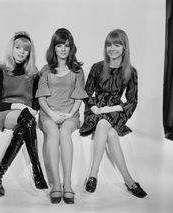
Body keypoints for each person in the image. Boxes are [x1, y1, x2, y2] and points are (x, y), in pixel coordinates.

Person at [79, 29, 147, 198]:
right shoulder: (97, 67)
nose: (112, 48)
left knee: (105, 124)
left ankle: (92, 175)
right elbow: (86, 93)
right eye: (109, 45)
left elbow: (132, 101)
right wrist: (95, 108)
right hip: (96, 110)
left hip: (116, 111)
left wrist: (111, 109)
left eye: (117, 44)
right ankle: (130, 181)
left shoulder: (131, 71)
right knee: (109, 132)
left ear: (125, 47)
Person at [0, 31, 48, 197]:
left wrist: (33, 109)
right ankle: (37, 170)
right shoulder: (0, 71)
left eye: (25, 49)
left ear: (30, 52)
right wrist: (18, 105)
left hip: (26, 115)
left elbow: (36, 100)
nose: (21, 51)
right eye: (18, 47)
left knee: (25, 124)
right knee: (27, 119)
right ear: (12, 48)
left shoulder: (33, 73)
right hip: (6, 112)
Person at [36, 28, 88, 204]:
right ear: (54, 48)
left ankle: (67, 184)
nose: (63, 49)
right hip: (48, 114)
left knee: (65, 133)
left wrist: (68, 115)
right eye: (59, 45)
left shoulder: (77, 70)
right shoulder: (45, 69)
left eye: (66, 45)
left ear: (71, 47)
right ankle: (56, 185)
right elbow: (41, 98)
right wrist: (51, 114)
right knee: (52, 132)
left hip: (70, 114)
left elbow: (79, 99)